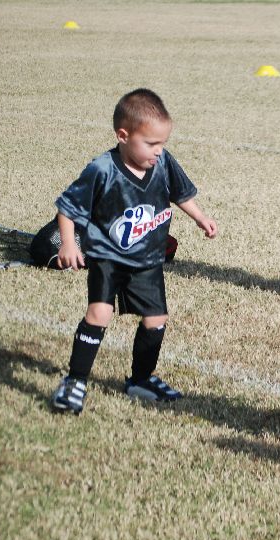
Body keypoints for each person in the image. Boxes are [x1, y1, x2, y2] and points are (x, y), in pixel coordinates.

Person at [50, 89, 218, 415]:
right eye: (151, 143)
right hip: (109, 258)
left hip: (148, 260)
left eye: (162, 143)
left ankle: (141, 380)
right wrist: (69, 244)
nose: (159, 151)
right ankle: (75, 381)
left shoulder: (163, 162)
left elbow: (180, 193)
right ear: (123, 136)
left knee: (156, 319)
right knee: (100, 314)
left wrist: (200, 217)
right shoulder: (102, 169)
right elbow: (67, 208)